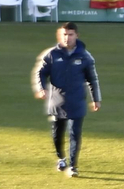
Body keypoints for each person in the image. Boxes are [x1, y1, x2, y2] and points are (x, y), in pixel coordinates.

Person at [31, 23, 101, 177]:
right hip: (57, 101)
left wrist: (96, 98)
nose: (67, 38)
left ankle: (73, 166)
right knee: (57, 133)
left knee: (75, 133)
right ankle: (61, 158)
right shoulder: (52, 55)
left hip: (77, 101)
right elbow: (41, 73)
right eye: (64, 35)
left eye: (70, 35)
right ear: (59, 35)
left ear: (76, 35)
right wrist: (41, 88)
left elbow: (92, 79)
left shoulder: (85, 56)